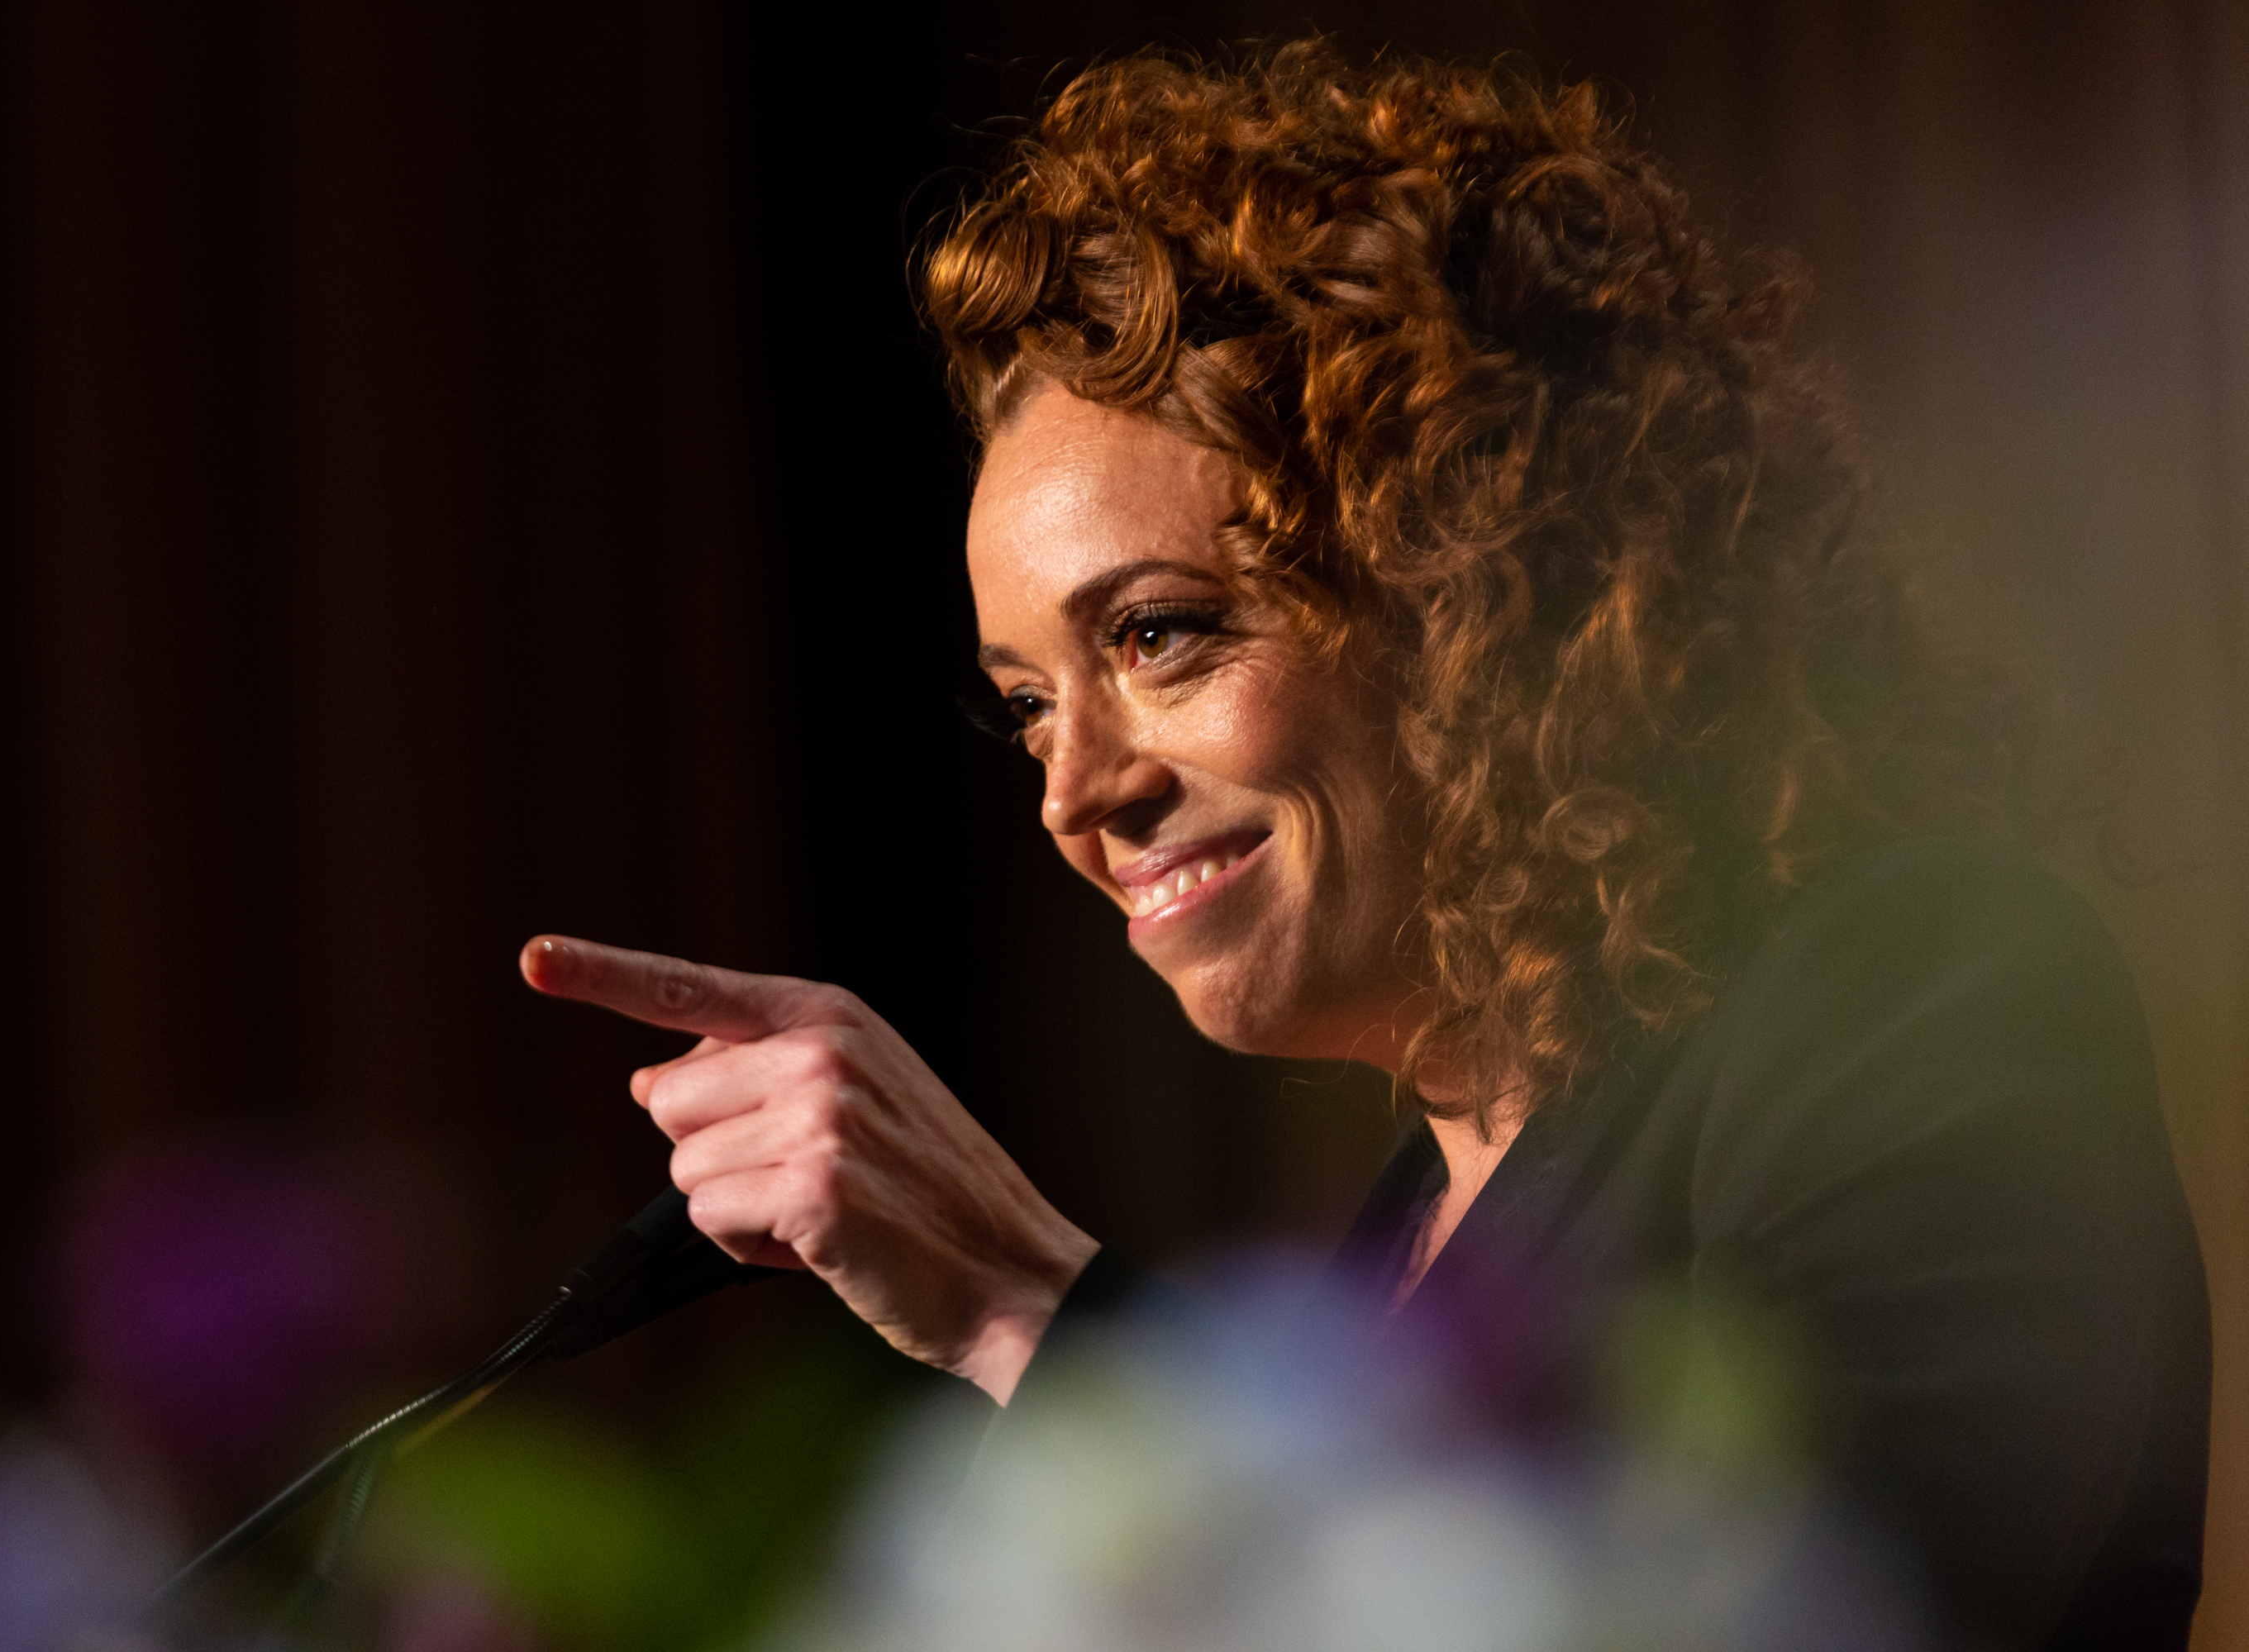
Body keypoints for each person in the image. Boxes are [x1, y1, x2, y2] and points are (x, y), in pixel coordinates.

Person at [519, 41, 2208, 1650]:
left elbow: (1793, 1610)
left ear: (1474, 581)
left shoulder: (1921, 986)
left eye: (1162, 635)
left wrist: (1041, 1308)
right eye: (1029, 702)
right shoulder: (1412, 1223)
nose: (1074, 788)